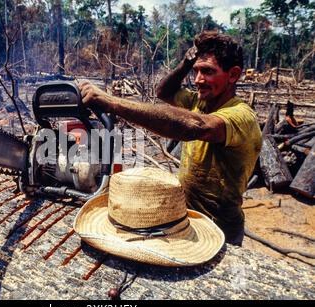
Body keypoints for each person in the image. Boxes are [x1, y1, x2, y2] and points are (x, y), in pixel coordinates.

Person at [78, 31, 262, 246]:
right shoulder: (199, 102)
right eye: (196, 71)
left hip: (220, 225)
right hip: (185, 215)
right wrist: (185, 64)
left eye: (208, 71)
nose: (198, 80)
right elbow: (163, 91)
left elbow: (196, 125)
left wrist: (113, 103)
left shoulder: (241, 116)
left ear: (233, 75)